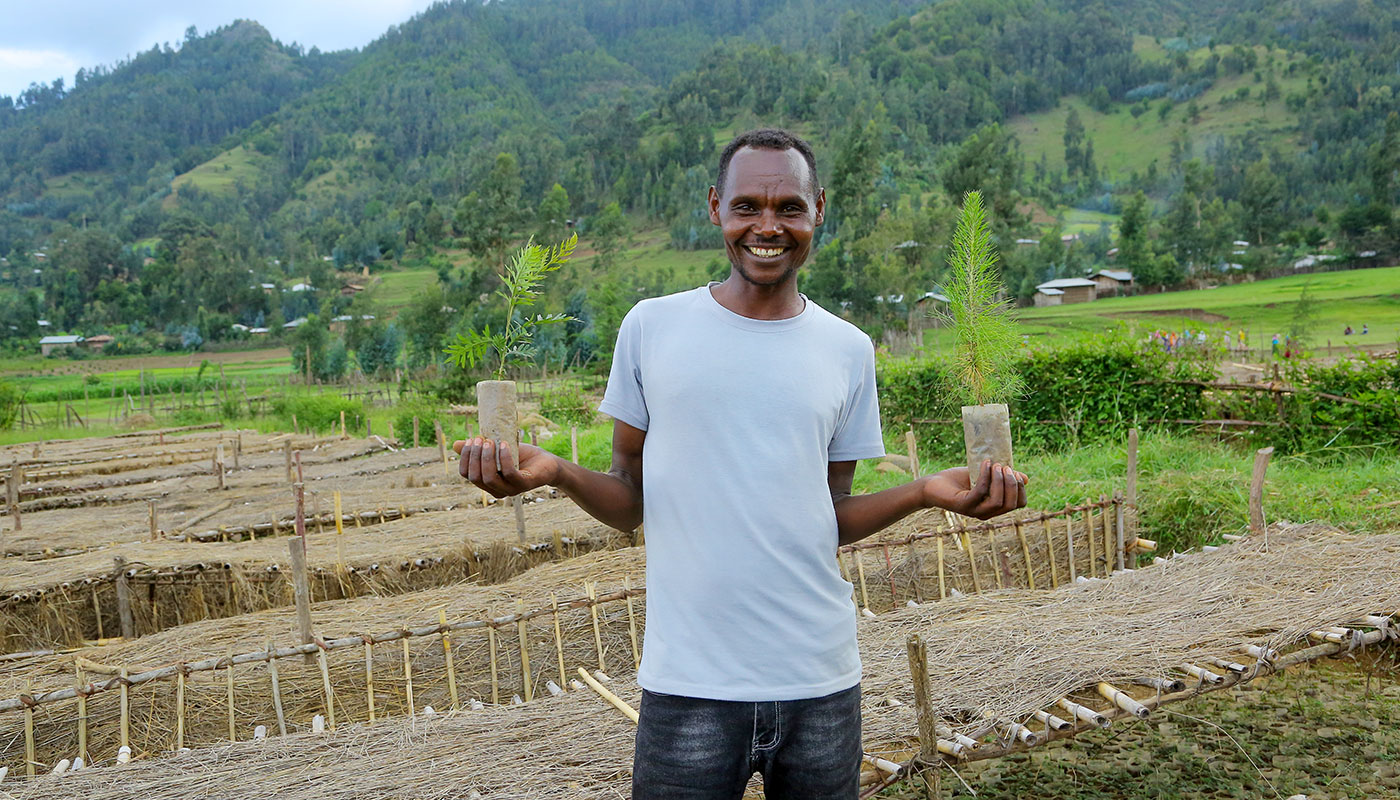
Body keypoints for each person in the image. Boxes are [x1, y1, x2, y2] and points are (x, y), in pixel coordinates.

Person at [455, 129, 1029, 800]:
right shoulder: (651, 327)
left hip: (819, 682)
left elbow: (829, 516)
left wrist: (927, 491)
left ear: (818, 210)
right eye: (747, 205)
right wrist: (554, 470)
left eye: (789, 207)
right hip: (689, 685)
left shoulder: (847, 350)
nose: (767, 226)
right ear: (715, 208)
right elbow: (629, 497)